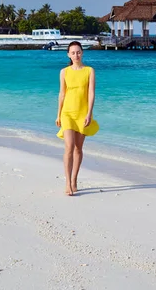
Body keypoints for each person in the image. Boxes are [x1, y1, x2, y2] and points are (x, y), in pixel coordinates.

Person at [55, 41, 99, 196]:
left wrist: (89, 113)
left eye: (78, 52)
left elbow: (91, 93)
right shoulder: (64, 72)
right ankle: (67, 183)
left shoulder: (89, 71)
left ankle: (74, 180)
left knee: (78, 148)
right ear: (68, 54)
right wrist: (58, 114)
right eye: (73, 53)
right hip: (67, 112)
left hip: (83, 113)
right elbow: (61, 94)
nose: (76, 55)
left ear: (82, 53)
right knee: (69, 146)